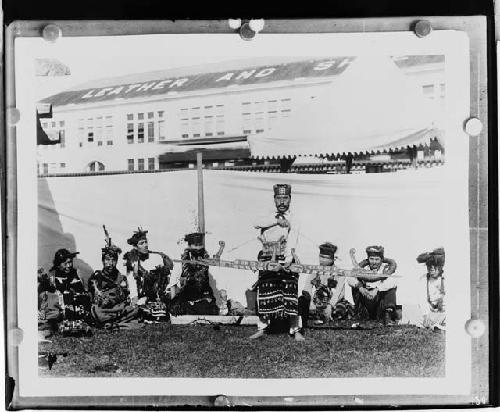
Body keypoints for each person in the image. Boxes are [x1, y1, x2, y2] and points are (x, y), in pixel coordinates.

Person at [250, 183, 304, 341]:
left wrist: (287, 261)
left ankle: (295, 330)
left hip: (286, 258)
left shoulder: (295, 219)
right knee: (265, 292)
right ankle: (262, 328)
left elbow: (293, 240)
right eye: (279, 198)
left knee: (290, 293)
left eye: (285, 198)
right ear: (274, 199)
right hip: (267, 258)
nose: (282, 202)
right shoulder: (267, 216)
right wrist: (276, 221)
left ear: (290, 199)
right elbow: (255, 223)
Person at [88, 240, 138, 327]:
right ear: (103, 261)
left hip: (117, 307)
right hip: (104, 309)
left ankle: (110, 321)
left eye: (113, 260)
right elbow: (93, 297)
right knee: (96, 311)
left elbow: (124, 297)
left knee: (135, 309)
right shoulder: (96, 277)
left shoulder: (121, 278)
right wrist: (102, 299)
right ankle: (116, 320)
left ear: (116, 261)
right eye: (107, 260)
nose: (110, 263)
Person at [168, 232, 219, 315]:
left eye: (200, 244)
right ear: (190, 246)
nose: (198, 248)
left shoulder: (206, 259)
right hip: (187, 296)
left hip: (203, 297)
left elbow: (210, 282)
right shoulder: (182, 260)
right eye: (195, 245)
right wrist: (173, 303)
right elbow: (173, 283)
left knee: (210, 309)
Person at [347, 245, 398, 324]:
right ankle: (361, 313)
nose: (374, 262)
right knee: (355, 284)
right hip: (365, 297)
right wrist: (360, 287)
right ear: (368, 259)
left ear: (381, 260)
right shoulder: (363, 269)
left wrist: (377, 289)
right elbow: (350, 278)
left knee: (391, 289)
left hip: (379, 301)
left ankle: (388, 315)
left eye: (377, 259)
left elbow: (393, 281)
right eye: (372, 259)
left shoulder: (385, 268)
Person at [123, 228, 173, 305]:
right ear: (136, 246)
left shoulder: (156, 257)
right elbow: (132, 281)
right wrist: (135, 298)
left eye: (146, 242)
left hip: (157, 294)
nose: (145, 245)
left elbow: (168, 272)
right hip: (141, 295)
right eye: (141, 243)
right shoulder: (133, 261)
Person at [310, 242, 354, 324]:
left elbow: (338, 293)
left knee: (340, 310)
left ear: (333, 259)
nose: (322, 260)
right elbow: (307, 288)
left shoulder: (339, 272)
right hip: (319, 301)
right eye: (321, 257)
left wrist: (330, 305)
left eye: (326, 258)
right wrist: (311, 303)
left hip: (335, 302)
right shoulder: (314, 270)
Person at [48, 248, 90, 321]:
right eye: (65, 263)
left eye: (70, 262)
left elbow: (84, 291)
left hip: (77, 307)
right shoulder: (52, 276)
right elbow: (50, 296)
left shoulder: (77, 273)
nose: (68, 265)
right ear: (58, 264)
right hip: (60, 307)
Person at [415, 247, 445, 330]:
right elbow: (422, 299)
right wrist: (426, 315)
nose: (431, 268)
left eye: (435, 266)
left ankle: (437, 325)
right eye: (429, 266)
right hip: (430, 311)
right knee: (415, 315)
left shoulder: (446, 277)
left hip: (443, 310)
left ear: (441, 266)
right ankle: (433, 325)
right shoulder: (424, 278)